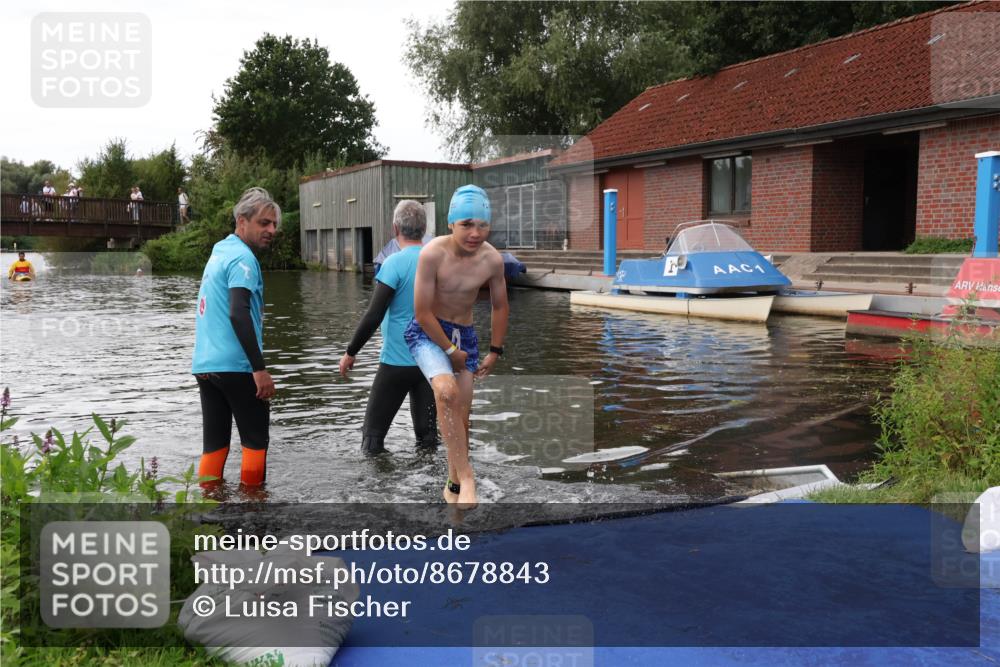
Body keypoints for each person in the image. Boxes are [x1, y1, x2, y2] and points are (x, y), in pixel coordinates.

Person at [404, 184, 509, 507]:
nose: (475, 233)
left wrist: (494, 350)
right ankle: (467, 477)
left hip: (467, 335)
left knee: (460, 418)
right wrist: (450, 351)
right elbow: (421, 313)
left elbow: (500, 306)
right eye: (466, 225)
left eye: (482, 225)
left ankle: (452, 482)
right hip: (429, 333)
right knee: (446, 392)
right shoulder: (433, 253)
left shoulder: (492, 260)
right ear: (450, 223)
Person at [191, 187, 280, 487]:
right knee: (255, 442)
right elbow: (238, 312)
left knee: (215, 444)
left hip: (206, 365)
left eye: (274, 224)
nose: (271, 230)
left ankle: (210, 512)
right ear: (242, 221)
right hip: (237, 366)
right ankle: (254, 516)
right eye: (264, 223)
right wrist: (259, 368)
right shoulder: (244, 259)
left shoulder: (220, 250)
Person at [339, 200, 438, 457]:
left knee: (372, 441)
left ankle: (378, 490)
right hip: (431, 365)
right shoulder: (439, 262)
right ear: (424, 229)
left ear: (395, 229)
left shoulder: (394, 263)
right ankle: (429, 490)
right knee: (428, 441)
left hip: (396, 363)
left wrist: (351, 352)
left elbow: (374, 315)